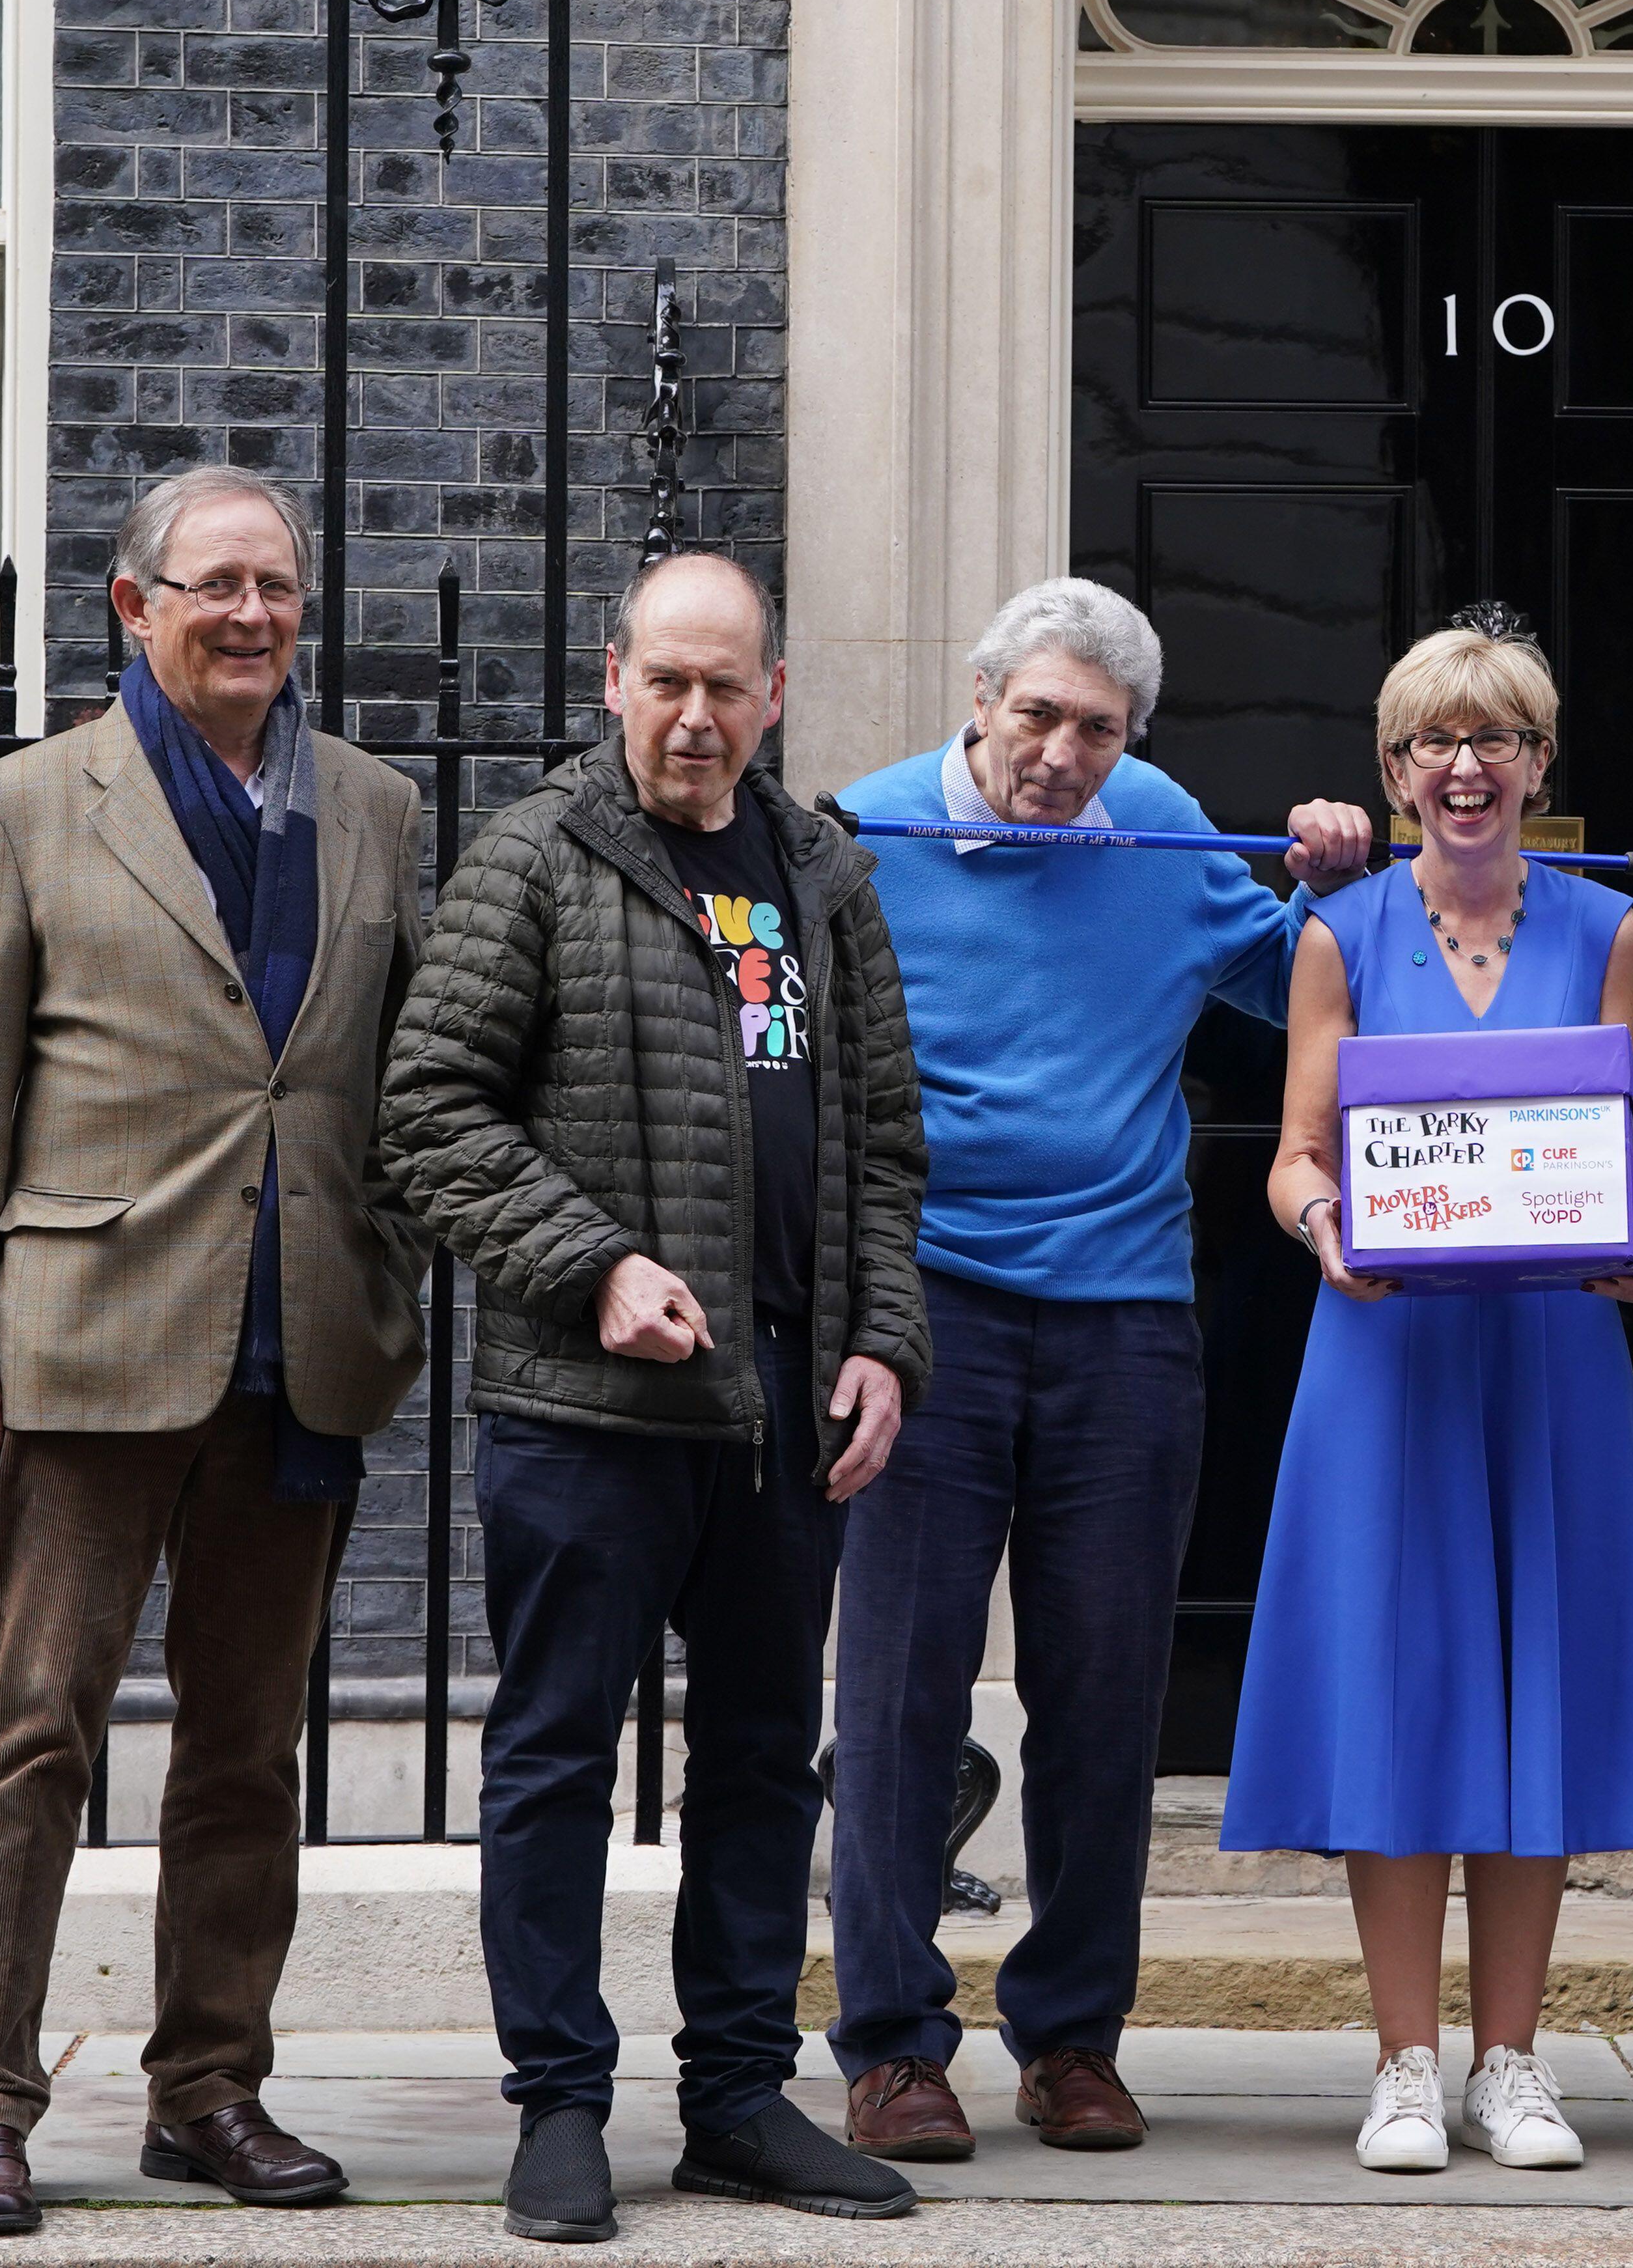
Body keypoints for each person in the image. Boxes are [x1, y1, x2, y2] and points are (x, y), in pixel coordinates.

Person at [380, 553, 932, 2243]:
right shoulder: (537, 858)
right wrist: (597, 1262)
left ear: (773, 694)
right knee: (554, 1757)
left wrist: (879, 1340)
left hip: (779, 1408)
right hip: (583, 1413)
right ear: (615, 676)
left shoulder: (823, 872)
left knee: (765, 1761)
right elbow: (430, 1109)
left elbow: (889, 1142)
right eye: (667, 681)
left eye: (729, 686)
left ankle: (742, 2097)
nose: (696, 717)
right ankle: (557, 2103)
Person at [0, 465, 427, 2236]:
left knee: (245, 1746)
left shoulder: (374, 807)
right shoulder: (24, 807)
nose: (254, 615)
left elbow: (405, 1083)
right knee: (30, 1732)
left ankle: (212, 2083)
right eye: (216, 586)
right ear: (134, 606)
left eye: (279, 584)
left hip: (300, 1348)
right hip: (89, 1342)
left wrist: (398, 1275)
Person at [823, 579, 1368, 2161]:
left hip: (1128, 1316)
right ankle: (892, 2047)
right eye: (1039, 716)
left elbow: (1300, 1001)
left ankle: (1073, 2040)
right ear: (979, 695)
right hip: (921, 1316)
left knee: (1104, 1695)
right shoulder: (857, 842)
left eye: (1100, 730)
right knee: (902, 1693)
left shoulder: (1161, 827)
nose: (1063, 757)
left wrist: (1329, 888)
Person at [1223, 612, 1633, 2175]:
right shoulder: (1338, 934)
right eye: (1432, 740)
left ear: (1539, 762)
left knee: (1533, 1682)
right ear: (1395, 768)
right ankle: (1404, 2065)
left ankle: (1513, 2059)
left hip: (1549, 1353)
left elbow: (1624, 1142)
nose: (1463, 765)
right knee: (1401, 1677)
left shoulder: (1606, 932)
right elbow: (1297, 1154)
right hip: (1390, 1356)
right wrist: (1322, 1226)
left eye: (1494, 736)